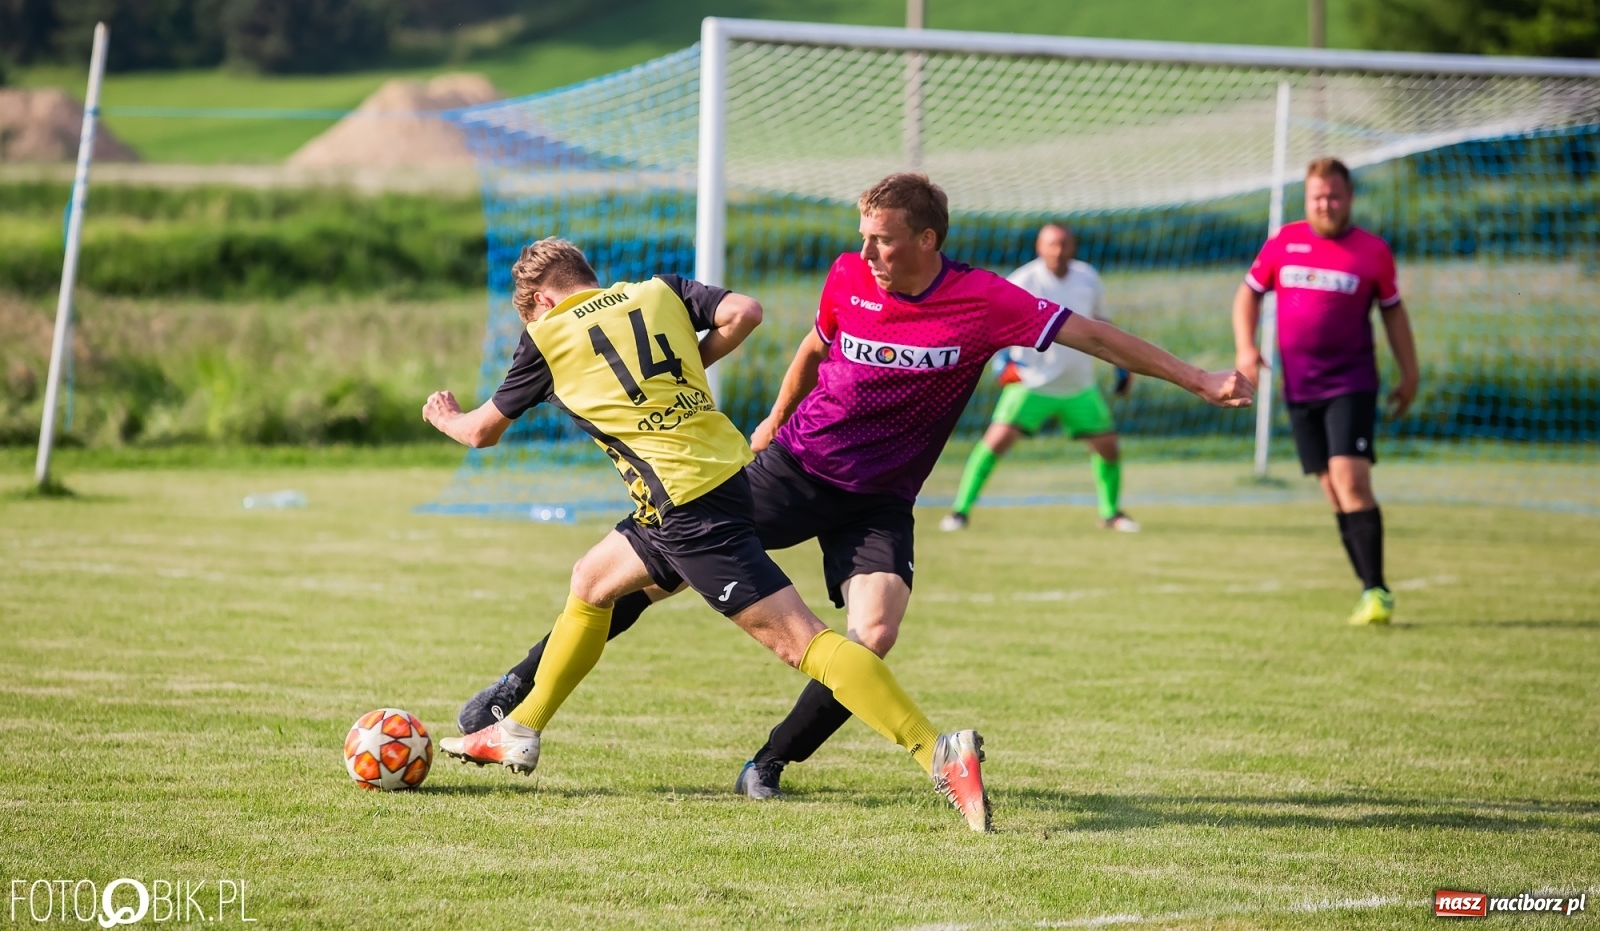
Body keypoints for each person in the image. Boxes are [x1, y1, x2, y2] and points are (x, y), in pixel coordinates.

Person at [461, 174, 1253, 801]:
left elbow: (1097, 336)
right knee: (642, 571)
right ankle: (515, 695)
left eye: (882, 239)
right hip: (794, 468)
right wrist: (772, 420)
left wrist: (1199, 379)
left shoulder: (985, 303)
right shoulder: (847, 277)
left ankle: (768, 763)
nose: (867, 252)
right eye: (863, 237)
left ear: (927, 239)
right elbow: (810, 348)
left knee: (871, 634)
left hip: (879, 500)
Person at [423, 236, 994, 831]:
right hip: (723, 477)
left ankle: (938, 753)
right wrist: (691, 365)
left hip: (685, 504)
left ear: (541, 298)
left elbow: (482, 433)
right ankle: (519, 728)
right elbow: (744, 311)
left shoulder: (546, 338)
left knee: (800, 642)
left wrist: (446, 417)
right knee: (592, 582)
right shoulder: (655, 291)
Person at [1233, 157, 1419, 626]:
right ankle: (1368, 591)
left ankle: (1377, 591)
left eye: (1334, 195)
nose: (1326, 204)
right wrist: (1245, 348)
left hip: (1351, 383)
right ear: (1306, 198)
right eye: (1317, 195)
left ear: (1349, 197)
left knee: (1351, 479)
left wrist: (1409, 372)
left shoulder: (1372, 252)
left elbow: (1394, 312)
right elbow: (1248, 294)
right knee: (1334, 491)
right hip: (1300, 387)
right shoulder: (1284, 243)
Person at [941, 223, 1139, 534]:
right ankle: (959, 511)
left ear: (1073, 247)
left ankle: (1110, 513)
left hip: (1078, 385)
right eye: (1052, 244)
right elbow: (992, 325)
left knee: (1108, 447)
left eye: (1064, 244)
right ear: (1039, 247)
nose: (1059, 251)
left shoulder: (1087, 277)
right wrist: (1002, 362)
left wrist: (1122, 366)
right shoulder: (1023, 280)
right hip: (1032, 383)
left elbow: (1102, 323)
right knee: (994, 443)